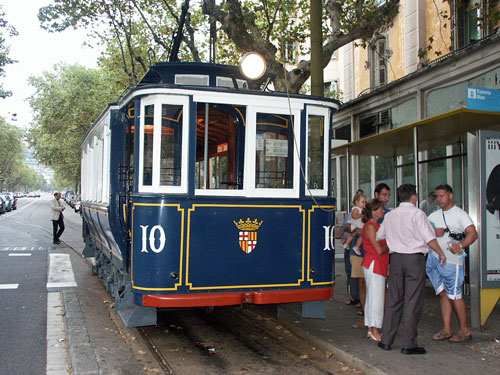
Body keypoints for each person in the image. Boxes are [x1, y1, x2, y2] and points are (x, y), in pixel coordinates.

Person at [376, 184, 447, 355]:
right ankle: (408, 344)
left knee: (394, 299)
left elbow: (380, 236)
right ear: (414, 197)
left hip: (396, 260)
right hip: (414, 260)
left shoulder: (390, 215)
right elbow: (429, 238)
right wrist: (441, 253)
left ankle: (386, 340)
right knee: (412, 300)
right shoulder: (418, 214)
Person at [426, 184, 477, 343]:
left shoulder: (460, 214)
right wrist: (434, 233)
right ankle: (447, 328)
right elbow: (423, 233)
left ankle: (464, 330)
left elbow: (473, 233)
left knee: (455, 294)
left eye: (442, 196)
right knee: (443, 293)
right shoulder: (433, 216)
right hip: (435, 259)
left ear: (451, 196)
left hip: (452, 262)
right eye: (438, 196)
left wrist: (460, 245)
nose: (439, 199)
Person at [361, 199, 389, 342]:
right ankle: (375, 329)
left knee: (373, 297)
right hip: (375, 264)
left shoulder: (373, 226)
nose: (383, 211)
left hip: (374, 264)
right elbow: (378, 249)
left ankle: (371, 328)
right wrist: (390, 245)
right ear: (373, 212)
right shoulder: (371, 227)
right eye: (380, 209)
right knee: (376, 298)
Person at [341, 211, 360, 306]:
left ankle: (359, 297)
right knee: (349, 271)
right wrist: (342, 238)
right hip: (351, 246)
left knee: (356, 273)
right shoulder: (351, 214)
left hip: (357, 247)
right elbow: (344, 227)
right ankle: (353, 295)